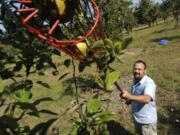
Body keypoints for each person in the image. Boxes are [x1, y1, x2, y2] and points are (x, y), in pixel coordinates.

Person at [120, 60, 157, 135]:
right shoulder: (135, 80)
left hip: (147, 122)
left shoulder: (149, 83)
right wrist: (129, 100)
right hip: (137, 119)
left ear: (145, 71)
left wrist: (130, 96)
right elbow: (136, 97)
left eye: (139, 69)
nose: (136, 71)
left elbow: (147, 99)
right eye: (135, 69)